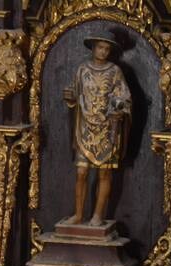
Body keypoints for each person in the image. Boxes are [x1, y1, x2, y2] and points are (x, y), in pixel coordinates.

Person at [63, 31, 131, 226]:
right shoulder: (82, 70)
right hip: (85, 127)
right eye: (100, 47)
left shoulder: (115, 71)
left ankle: (97, 215)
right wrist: (70, 98)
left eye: (107, 49)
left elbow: (124, 97)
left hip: (107, 129)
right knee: (81, 172)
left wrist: (118, 108)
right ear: (93, 48)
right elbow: (75, 95)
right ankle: (78, 214)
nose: (103, 52)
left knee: (104, 173)